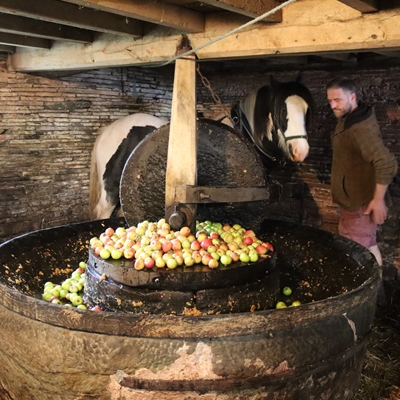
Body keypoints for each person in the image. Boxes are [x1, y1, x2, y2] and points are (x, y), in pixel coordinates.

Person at [326, 77, 398, 270]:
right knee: (369, 245)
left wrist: (378, 200)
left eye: (338, 100)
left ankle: (364, 294)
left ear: (352, 97)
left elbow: (387, 162)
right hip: (354, 201)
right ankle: (377, 288)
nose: (333, 105)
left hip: (359, 205)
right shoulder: (353, 117)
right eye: (330, 100)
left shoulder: (359, 128)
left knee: (354, 253)